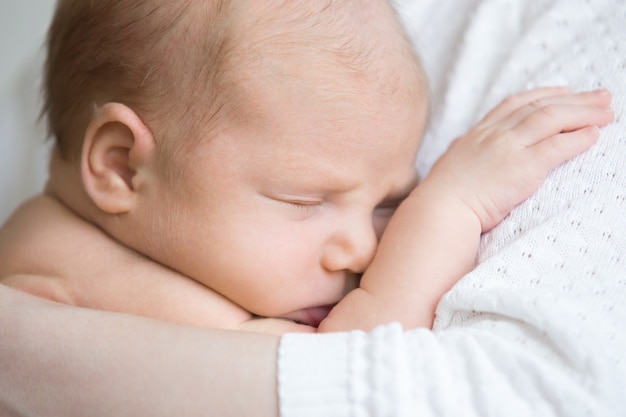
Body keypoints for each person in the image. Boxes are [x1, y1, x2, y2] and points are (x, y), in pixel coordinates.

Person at [1, 0, 625, 416]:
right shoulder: (84, 279)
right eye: (304, 199)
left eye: (390, 202)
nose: (361, 248)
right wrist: (449, 206)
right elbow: (343, 363)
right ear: (120, 165)